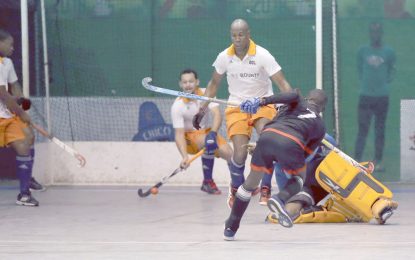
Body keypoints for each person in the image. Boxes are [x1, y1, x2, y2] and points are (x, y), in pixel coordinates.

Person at [192, 18, 292, 208]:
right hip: (236, 106)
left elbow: (282, 82)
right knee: (239, 154)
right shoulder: (224, 57)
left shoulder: (263, 55)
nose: (237, 39)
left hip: (263, 103)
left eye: (241, 35)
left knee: (267, 139)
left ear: (248, 34)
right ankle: (237, 187)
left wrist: (292, 102)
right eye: (234, 35)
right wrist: (202, 108)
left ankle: (265, 188)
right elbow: (213, 84)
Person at [223, 89, 327, 240]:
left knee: (250, 184)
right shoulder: (320, 126)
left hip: (266, 137)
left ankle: (231, 227)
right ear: (322, 109)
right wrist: (281, 155)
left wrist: (260, 101)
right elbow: (303, 155)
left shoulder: (295, 103)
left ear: (307, 98)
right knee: (299, 178)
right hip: (291, 143)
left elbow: (291, 96)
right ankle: (280, 199)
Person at [171, 68, 234, 194]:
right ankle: (208, 181)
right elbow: (178, 135)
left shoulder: (207, 94)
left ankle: (238, 184)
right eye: (184, 82)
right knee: (206, 140)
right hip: (188, 139)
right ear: (180, 84)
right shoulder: (178, 105)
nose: (188, 85)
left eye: (191, 81)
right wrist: (184, 156)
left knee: (230, 154)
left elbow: (217, 115)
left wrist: (213, 134)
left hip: (205, 133)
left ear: (197, 82)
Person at [0, 29, 43, 206]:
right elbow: (3, 94)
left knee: (26, 140)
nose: (12, 48)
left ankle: (25, 193)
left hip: (5, 114)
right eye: (10, 44)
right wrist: (21, 112)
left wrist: (22, 100)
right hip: (6, 111)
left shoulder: (7, 63)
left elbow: (14, 85)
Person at [354, 22, 396, 172]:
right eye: (373, 32)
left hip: (382, 97)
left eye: (378, 32)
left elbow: (391, 70)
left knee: (380, 130)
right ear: (370, 34)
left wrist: (382, 83)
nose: (375, 35)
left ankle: (378, 161)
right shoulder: (362, 51)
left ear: (381, 34)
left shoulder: (389, 52)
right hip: (365, 96)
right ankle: (356, 161)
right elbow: (359, 69)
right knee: (362, 129)